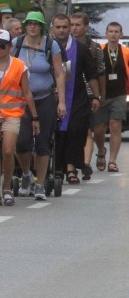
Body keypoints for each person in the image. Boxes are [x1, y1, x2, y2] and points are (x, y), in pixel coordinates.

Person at [12, 12, 67, 200]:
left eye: (36, 24)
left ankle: (40, 184)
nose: (33, 27)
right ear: (25, 25)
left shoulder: (51, 45)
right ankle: (27, 174)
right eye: (29, 24)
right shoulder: (16, 44)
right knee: (21, 141)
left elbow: (59, 74)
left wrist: (61, 101)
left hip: (44, 98)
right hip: (21, 100)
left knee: (43, 142)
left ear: (42, 26)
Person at [0, 29, 36, 206]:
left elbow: (27, 92)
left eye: (2, 45)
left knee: (8, 150)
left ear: (9, 46)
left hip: (13, 114)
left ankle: (7, 188)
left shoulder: (19, 65)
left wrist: (35, 117)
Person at [50, 15, 100, 184]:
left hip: (77, 96)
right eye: (58, 27)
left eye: (65, 27)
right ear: (53, 28)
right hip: (51, 95)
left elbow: (91, 74)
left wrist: (96, 96)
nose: (62, 30)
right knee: (56, 132)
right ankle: (57, 168)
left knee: (76, 130)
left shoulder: (81, 48)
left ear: (69, 27)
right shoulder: (46, 47)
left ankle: (71, 168)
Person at [74, 13, 107, 179]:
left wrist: (100, 95)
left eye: (78, 25)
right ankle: (81, 163)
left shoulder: (94, 48)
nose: (74, 28)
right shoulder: (65, 46)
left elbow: (101, 72)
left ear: (86, 27)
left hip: (90, 94)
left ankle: (94, 156)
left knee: (94, 129)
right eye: (71, 24)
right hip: (74, 94)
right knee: (82, 130)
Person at [92, 22, 127, 173]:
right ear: (106, 34)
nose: (113, 34)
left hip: (119, 93)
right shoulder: (100, 51)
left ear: (121, 34)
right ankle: (101, 150)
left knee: (115, 125)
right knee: (99, 129)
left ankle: (112, 160)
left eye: (116, 31)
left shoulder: (125, 52)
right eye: (110, 31)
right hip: (102, 94)